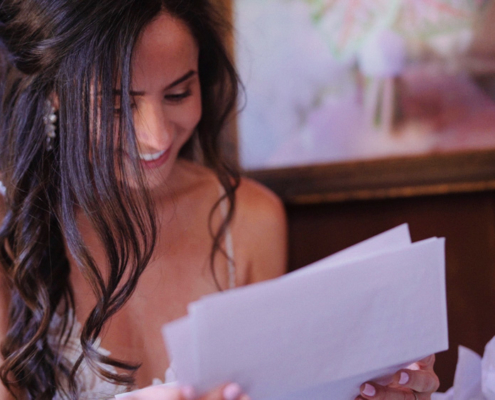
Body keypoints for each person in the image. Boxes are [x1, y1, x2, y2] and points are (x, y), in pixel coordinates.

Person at [0, 0, 439, 399]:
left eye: (178, 93)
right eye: (118, 106)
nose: (156, 135)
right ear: (53, 93)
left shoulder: (247, 218)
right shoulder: (10, 236)